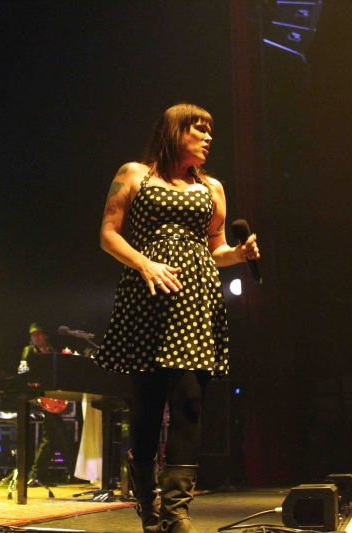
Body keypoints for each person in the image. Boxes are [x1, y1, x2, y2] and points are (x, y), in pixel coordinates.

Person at [96, 103, 259, 533]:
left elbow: (215, 248)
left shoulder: (211, 188)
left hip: (195, 301)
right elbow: (109, 234)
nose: (208, 138)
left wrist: (238, 255)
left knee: (189, 402)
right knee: (147, 409)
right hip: (148, 299)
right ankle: (148, 505)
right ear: (174, 131)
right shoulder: (135, 174)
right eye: (198, 129)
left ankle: (176, 512)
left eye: (210, 131)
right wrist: (144, 263)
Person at [22, 322, 76, 483]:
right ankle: (72, 472)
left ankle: (37, 475)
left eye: (38, 334)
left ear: (45, 336)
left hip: (52, 397)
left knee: (53, 437)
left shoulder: (53, 351)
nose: (36, 337)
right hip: (38, 397)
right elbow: (24, 372)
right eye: (33, 335)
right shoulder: (29, 351)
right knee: (57, 434)